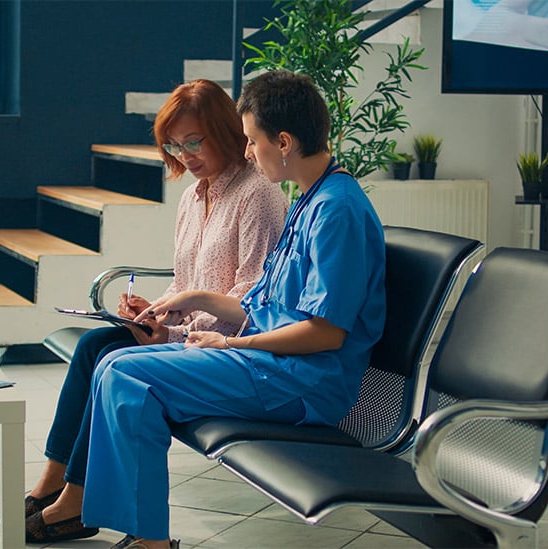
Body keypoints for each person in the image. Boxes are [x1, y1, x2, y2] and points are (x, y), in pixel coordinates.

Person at [80, 70, 387, 549]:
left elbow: (325, 334)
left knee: (126, 377)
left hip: (301, 383)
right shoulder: (311, 199)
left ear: (282, 141)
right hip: (269, 366)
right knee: (112, 364)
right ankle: (143, 534)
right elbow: (267, 306)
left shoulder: (337, 211)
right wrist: (193, 298)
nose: (246, 152)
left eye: (251, 140)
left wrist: (229, 342)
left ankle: (148, 541)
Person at [24, 79, 290, 543]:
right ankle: (56, 481)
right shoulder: (193, 196)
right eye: (173, 145)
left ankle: (74, 501)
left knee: (112, 362)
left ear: (226, 131)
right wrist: (156, 312)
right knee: (93, 346)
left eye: (193, 142)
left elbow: (252, 303)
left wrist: (172, 332)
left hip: (225, 346)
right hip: (188, 334)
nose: (184, 155)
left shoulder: (257, 196)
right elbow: (186, 281)